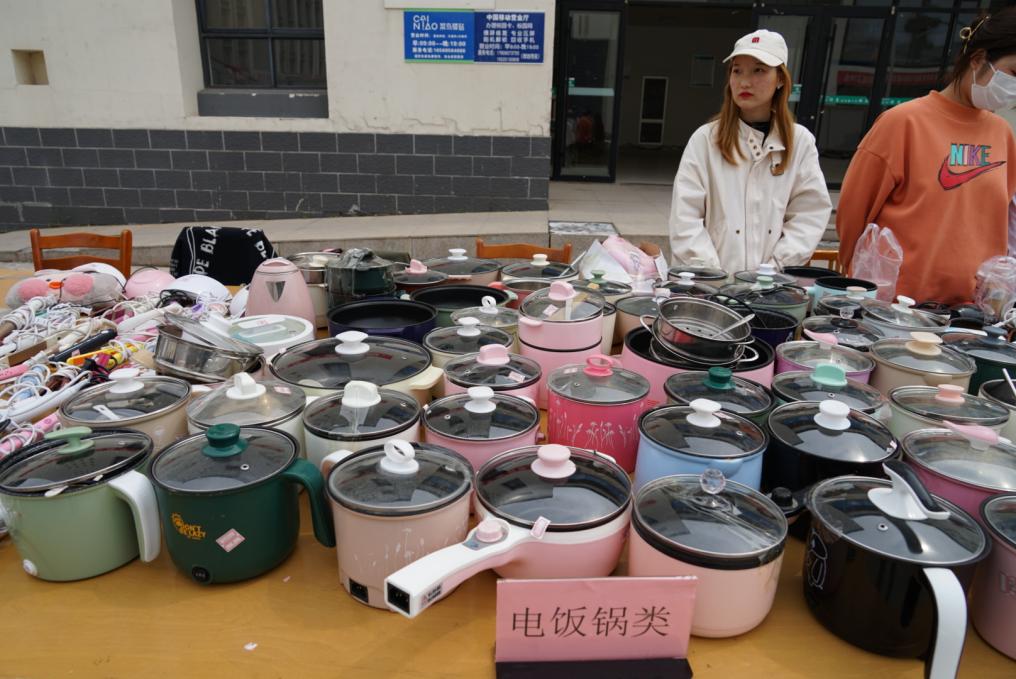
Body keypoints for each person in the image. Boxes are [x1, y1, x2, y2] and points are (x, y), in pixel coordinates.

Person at [837, 10, 1016, 306]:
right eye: (1014, 73)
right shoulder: (902, 122)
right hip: (897, 310)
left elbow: (1003, 224)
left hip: (970, 315)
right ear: (978, 59)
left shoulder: (1003, 134)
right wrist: (862, 290)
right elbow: (853, 217)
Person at [668, 30, 832, 274]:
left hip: (771, 286)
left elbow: (809, 215)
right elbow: (685, 219)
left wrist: (772, 271)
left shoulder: (800, 142)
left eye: (759, 70)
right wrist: (713, 276)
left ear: (780, 79)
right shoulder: (706, 139)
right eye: (737, 71)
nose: (745, 82)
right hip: (708, 286)